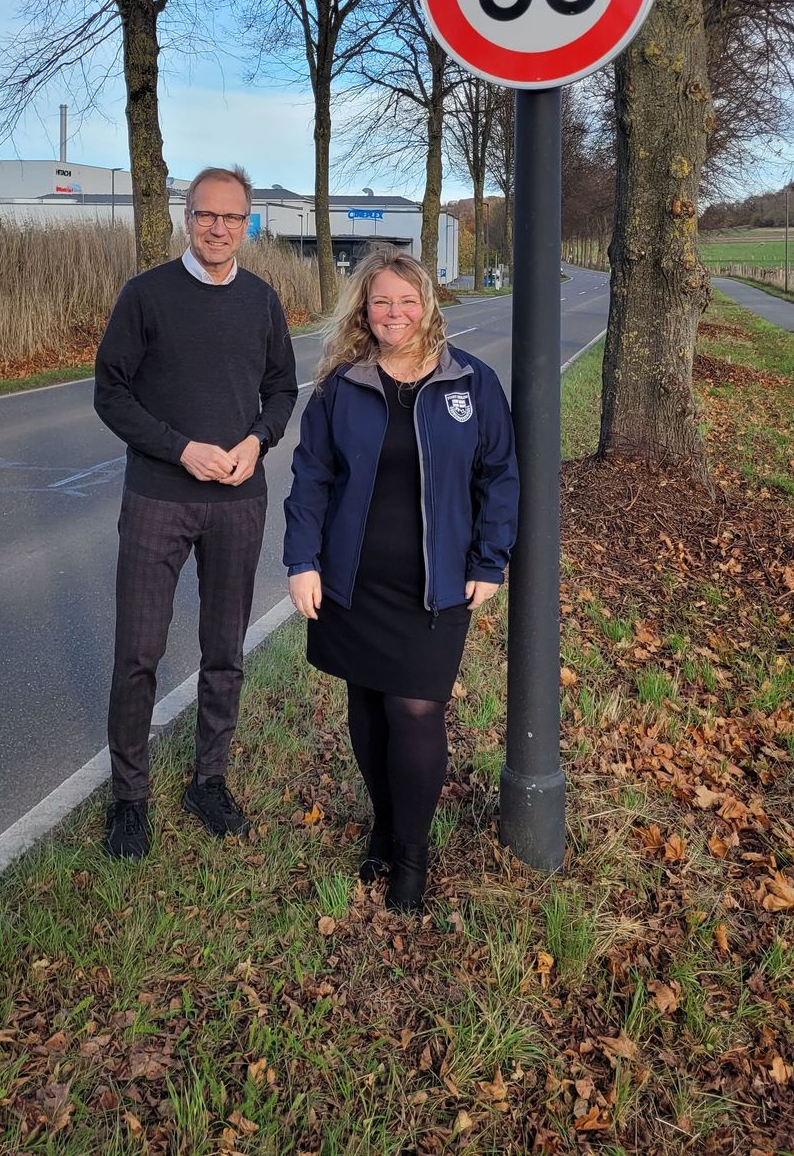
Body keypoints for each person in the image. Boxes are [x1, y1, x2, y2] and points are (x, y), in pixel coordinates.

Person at [283, 249, 518, 912]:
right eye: (382, 301)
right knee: (367, 705)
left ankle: (413, 856)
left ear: (428, 305)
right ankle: (383, 829)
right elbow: (311, 478)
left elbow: (499, 475)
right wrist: (302, 561)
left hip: (434, 585)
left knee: (415, 710)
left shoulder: (470, 381)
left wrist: (490, 559)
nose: (395, 313)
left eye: (407, 300)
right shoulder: (341, 385)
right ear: (364, 308)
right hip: (354, 579)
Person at [94, 166, 298, 860]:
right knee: (138, 653)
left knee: (224, 649)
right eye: (207, 215)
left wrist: (256, 440)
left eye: (231, 217)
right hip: (158, 498)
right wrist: (180, 449)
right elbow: (111, 393)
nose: (218, 228)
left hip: (238, 500)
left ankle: (209, 781)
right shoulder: (145, 295)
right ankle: (129, 799)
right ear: (188, 218)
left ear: (247, 224)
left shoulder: (263, 301)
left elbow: (282, 390)